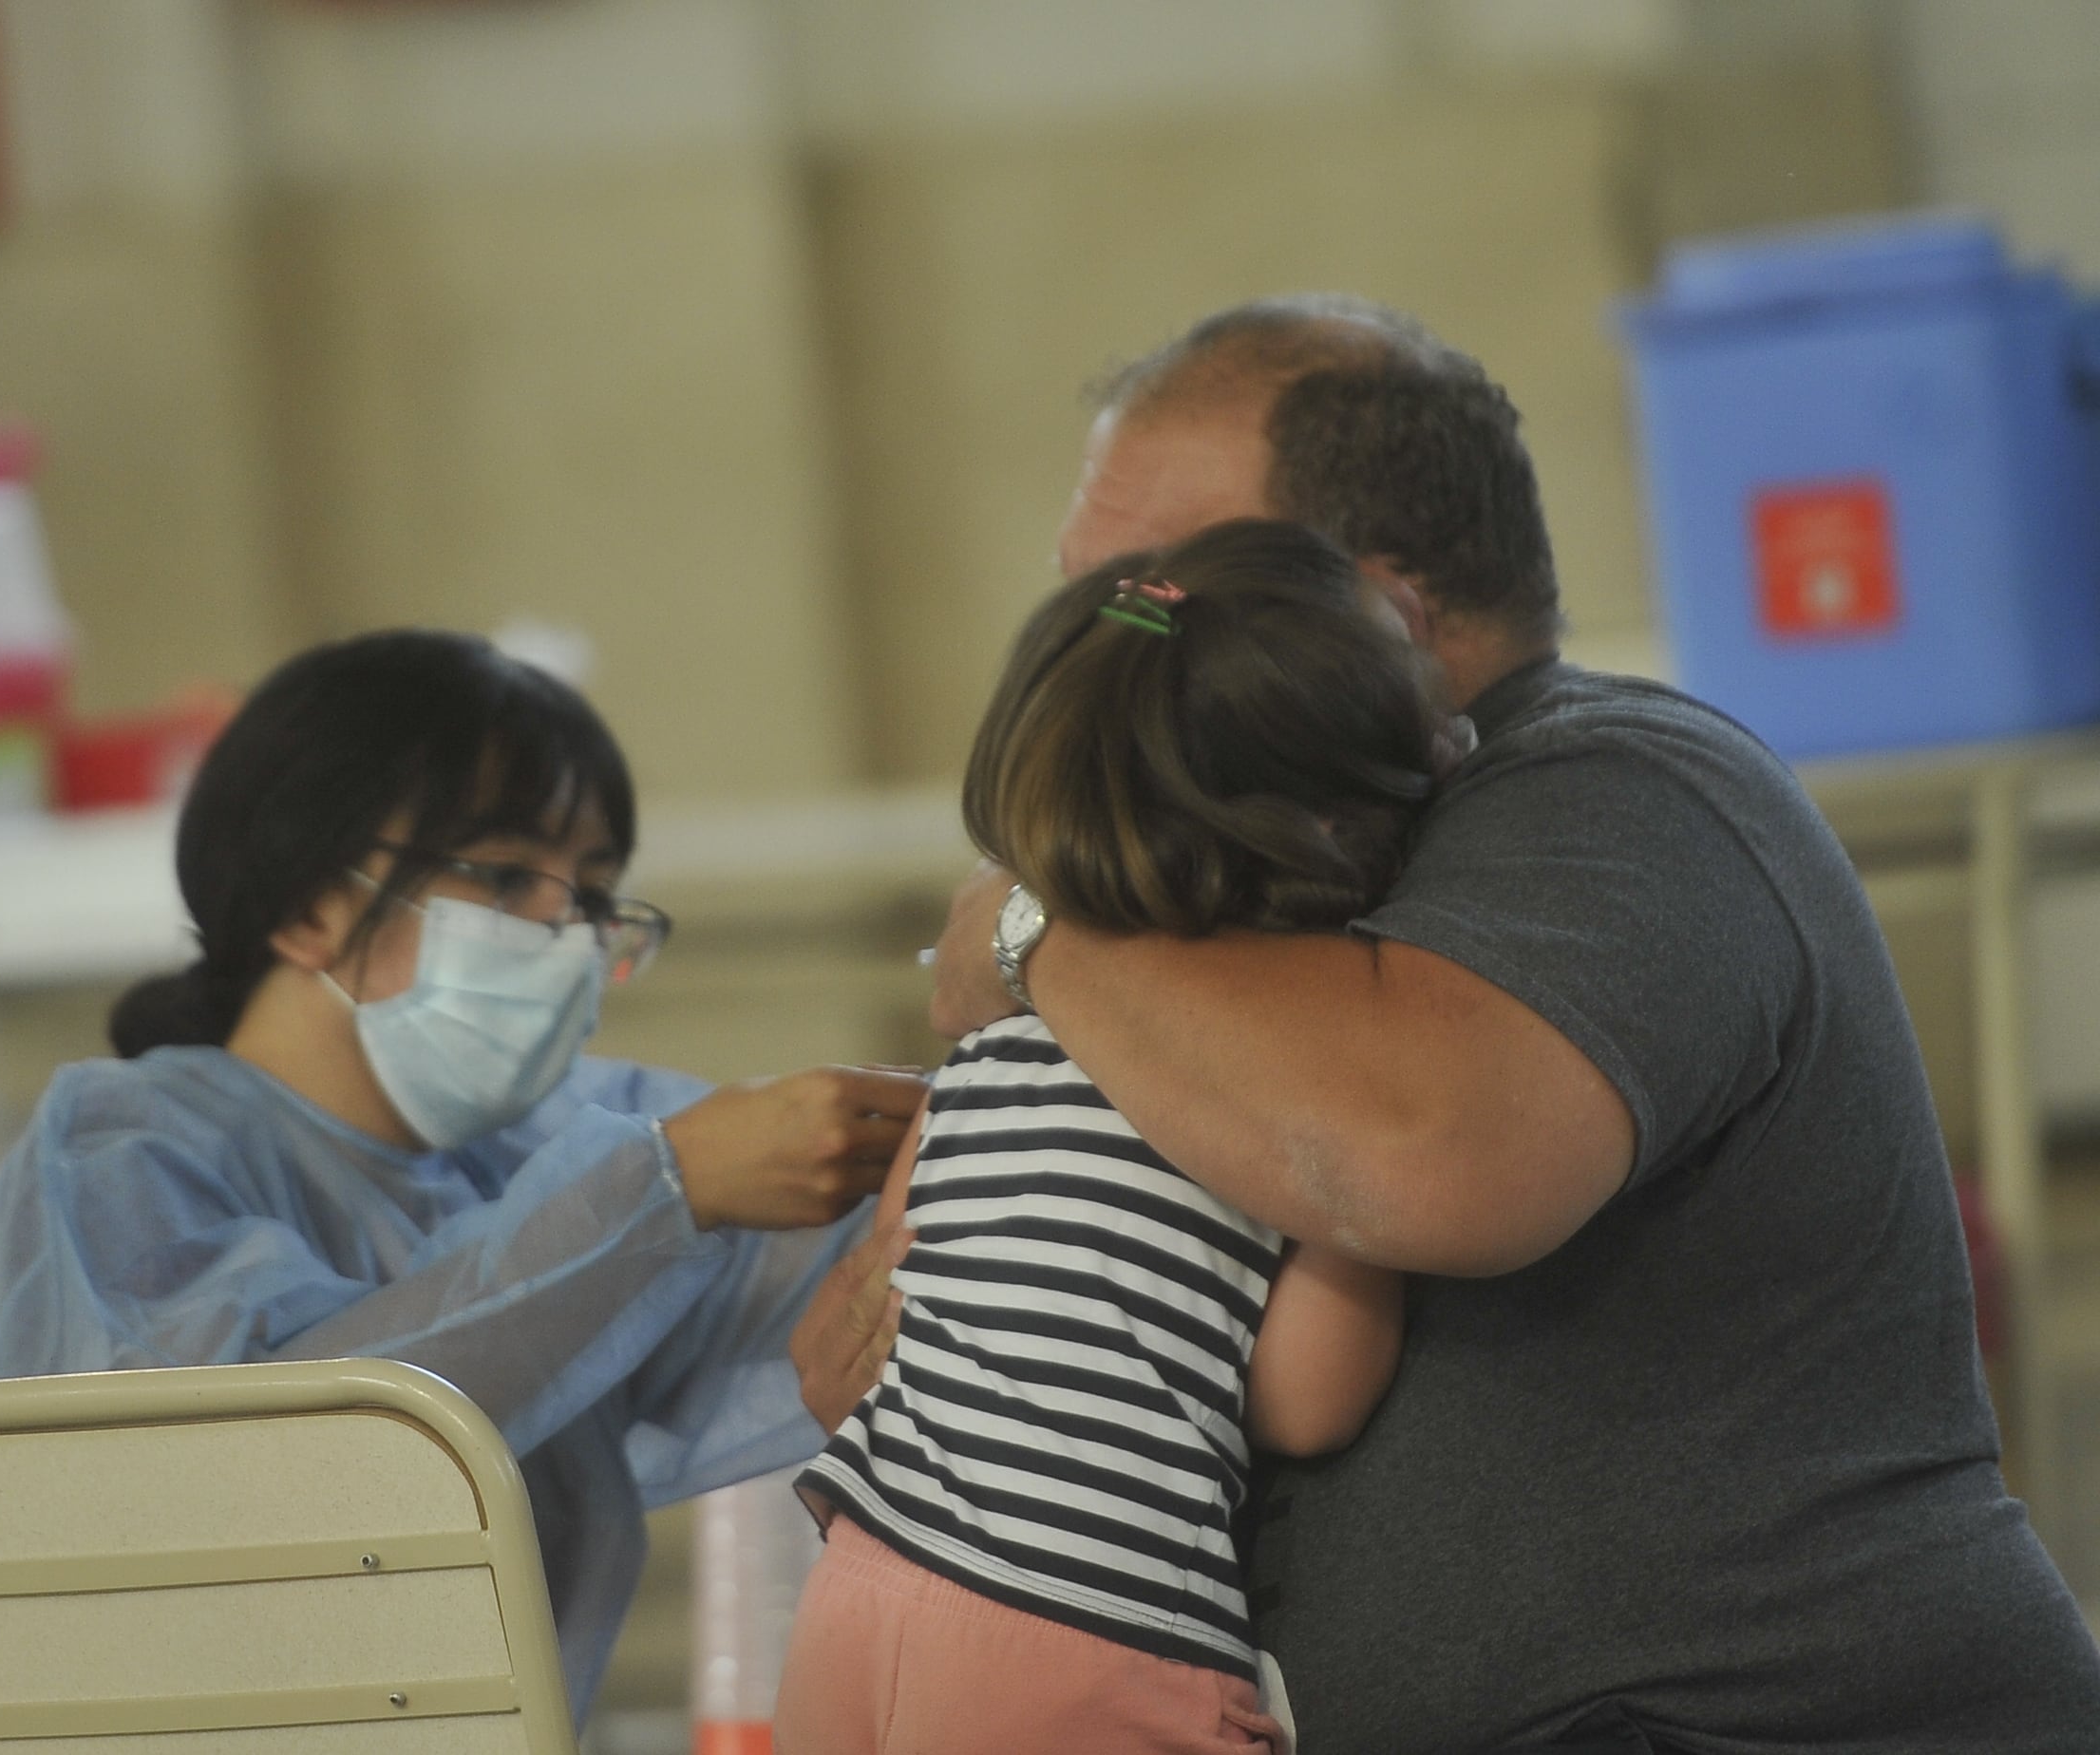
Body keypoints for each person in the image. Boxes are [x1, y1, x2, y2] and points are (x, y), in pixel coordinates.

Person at [796, 297, 2100, 1752]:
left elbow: (1422, 1160)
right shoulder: (1245, 892)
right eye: (1095, 602)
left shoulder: (1617, 790)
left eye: (1162, 590)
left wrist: (1037, 930)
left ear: (1386, 613)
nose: (1110, 657)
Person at [0, 630, 927, 1725]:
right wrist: (664, 1193)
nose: (564, 934)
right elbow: (241, 1471)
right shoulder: (125, 1148)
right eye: (509, 876)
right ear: (310, 904)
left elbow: (835, 1259)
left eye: (597, 899)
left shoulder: (540, 1154)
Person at [775, 519, 1441, 1755]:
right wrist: (1369, 1215)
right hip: (1081, 1634)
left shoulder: (978, 1063)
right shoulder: (1264, 1099)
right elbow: (1306, 1405)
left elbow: (894, 1286)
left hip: (860, 1596)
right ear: (1353, 833)